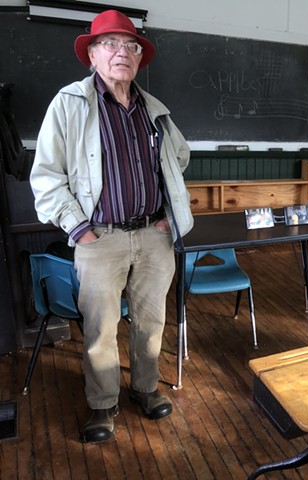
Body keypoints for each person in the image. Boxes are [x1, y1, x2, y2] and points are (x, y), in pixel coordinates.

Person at [30, 10, 194, 443]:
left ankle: (145, 388)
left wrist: (166, 215)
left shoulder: (154, 110)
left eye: (132, 46)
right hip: (99, 237)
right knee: (101, 329)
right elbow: (46, 177)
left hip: (153, 236)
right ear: (93, 55)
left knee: (151, 321)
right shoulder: (70, 104)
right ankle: (102, 406)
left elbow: (180, 158)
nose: (123, 53)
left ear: (140, 58)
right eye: (111, 45)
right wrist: (78, 227)